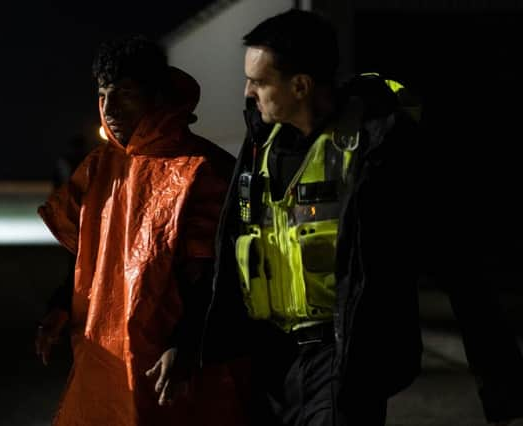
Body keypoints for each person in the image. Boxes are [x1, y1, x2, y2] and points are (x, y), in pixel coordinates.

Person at [166, 10, 422, 426]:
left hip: (339, 358)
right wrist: (188, 339)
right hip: (270, 361)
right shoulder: (260, 152)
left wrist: (497, 371)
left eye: (260, 81)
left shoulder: (371, 153)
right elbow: (226, 258)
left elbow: (452, 250)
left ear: (300, 85)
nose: (248, 92)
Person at [35, 34, 245, 426]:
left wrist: (187, 343)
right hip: (103, 356)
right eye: (102, 94)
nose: (109, 107)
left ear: (156, 97)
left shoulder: (202, 169)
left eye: (125, 94)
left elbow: (217, 275)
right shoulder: (99, 168)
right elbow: (86, 256)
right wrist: (60, 306)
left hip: (170, 362)